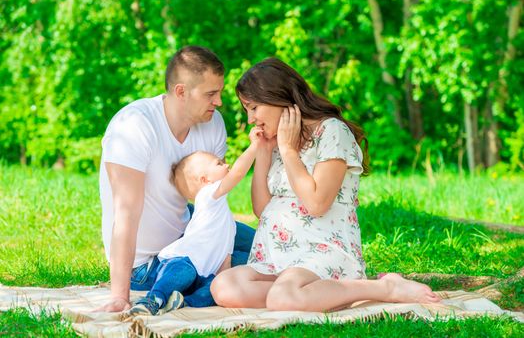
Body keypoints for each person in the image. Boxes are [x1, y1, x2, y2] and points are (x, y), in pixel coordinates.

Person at [210, 58, 440, 311]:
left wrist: (288, 151)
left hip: (322, 251)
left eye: (253, 108)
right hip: (277, 256)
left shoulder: (332, 131)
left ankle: (385, 288)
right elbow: (262, 210)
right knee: (224, 287)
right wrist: (263, 153)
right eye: (247, 110)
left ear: (278, 97)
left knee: (281, 298)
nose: (251, 119)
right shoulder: (275, 141)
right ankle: (306, 294)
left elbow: (317, 203)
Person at [97, 46, 255, 312]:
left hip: (192, 227)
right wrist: (119, 297)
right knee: (255, 264)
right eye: (210, 94)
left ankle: (322, 265)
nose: (219, 102)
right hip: (150, 261)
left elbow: (214, 196)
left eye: (219, 92)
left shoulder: (212, 123)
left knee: (271, 242)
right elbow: (126, 214)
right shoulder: (133, 126)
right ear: (181, 92)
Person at [126, 128, 262, 316]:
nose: (227, 165)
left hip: (206, 272)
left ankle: (183, 302)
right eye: (219, 163)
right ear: (205, 180)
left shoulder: (227, 223)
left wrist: (223, 278)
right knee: (183, 272)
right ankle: (154, 298)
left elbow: (226, 257)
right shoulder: (208, 196)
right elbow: (238, 174)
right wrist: (254, 147)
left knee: (213, 291)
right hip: (183, 259)